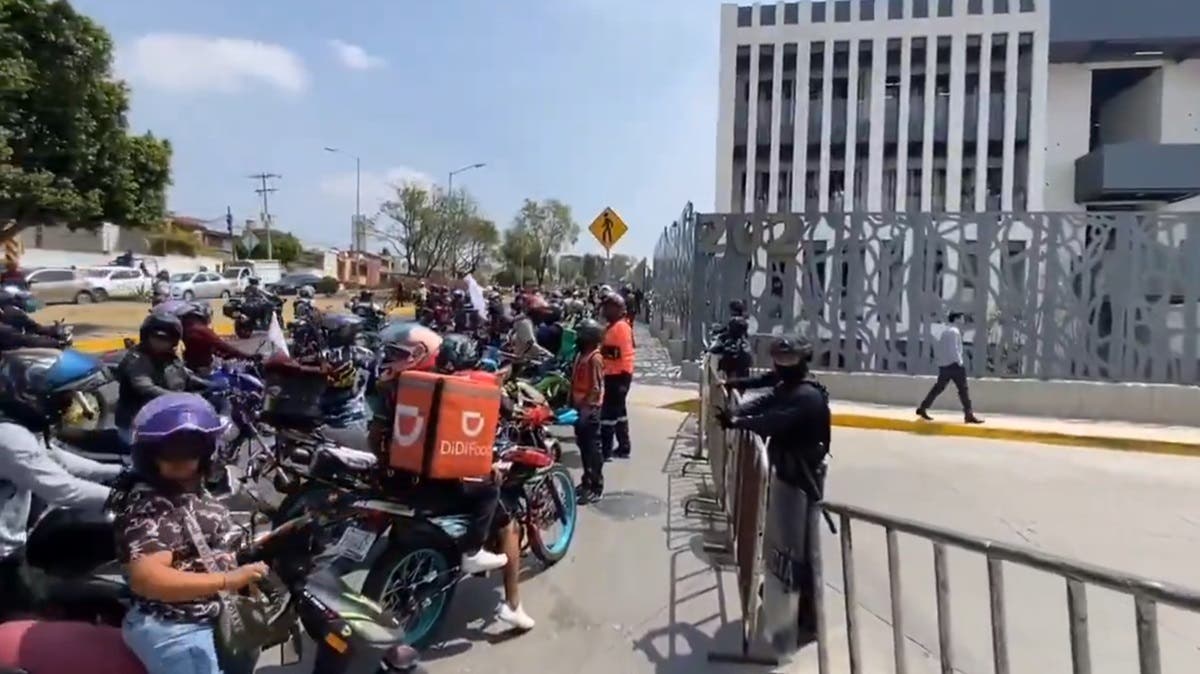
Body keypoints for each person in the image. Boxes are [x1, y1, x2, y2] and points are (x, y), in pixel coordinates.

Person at [111, 393, 267, 674]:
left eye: (190, 449)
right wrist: (227, 580)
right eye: (169, 451)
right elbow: (147, 578)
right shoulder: (151, 507)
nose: (180, 459)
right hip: (178, 626)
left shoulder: (191, 489)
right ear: (150, 455)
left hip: (214, 613)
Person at [369, 324, 509, 577]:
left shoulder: (402, 384)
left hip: (394, 475)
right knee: (491, 486)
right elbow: (463, 443)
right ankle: (472, 552)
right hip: (436, 482)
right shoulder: (466, 388)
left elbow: (377, 432)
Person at [716, 336, 831, 644]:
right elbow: (767, 401)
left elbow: (773, 421)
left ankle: (807, 617)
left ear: (802, 361)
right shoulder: (790, 387)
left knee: (800, 549)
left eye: (787, 361)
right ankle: (785, 594)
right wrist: (738, 412)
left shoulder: (806, 396)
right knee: (785, 543)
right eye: (778, 360)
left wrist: (739, 422)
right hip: (787, 475)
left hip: (802, 480)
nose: (780, 366)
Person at [0, 348, 121, 621]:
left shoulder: (19, 424)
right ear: (32, 395)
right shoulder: (8, 435)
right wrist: (128, 498)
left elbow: (56, 458)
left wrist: (120, 473)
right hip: (4, 553)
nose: (69, 406)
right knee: (28, 618)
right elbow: (63, 489)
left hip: (20, 532)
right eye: (64, 398)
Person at [114, 313, 212, 440]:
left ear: (173, 340)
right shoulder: (137, 359)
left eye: (165, 339)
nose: (159, 342)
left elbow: (185, 376)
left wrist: (211, 385)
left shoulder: (168, 356)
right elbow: (145, 387)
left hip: (162, 418)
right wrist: (181, 398)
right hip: (136, 426)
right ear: (146, 336)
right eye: (155, 337)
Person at [916, 312, 983, 424]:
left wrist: (941, 362)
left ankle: (923, 407)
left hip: (944, 366)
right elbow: (954, 349)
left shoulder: (945, 331)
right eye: (961, 318)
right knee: (963, 390)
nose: (963, 320)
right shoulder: (954, 332)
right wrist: (959, 362)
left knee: (938, 388)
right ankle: (969, 414)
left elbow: (940, 348)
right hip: (954, 365)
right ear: (956, 319)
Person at [161, 301, 258, 376]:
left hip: (192, 366)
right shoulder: (199, 329)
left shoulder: (187, 328)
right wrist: (248, 356)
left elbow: (213, 347)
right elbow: (222, 345)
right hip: (202, 370)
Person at [571, 319, 606, 503]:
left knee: (592, 449)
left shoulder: (594, 358)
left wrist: (586, 407)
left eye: (581, 334)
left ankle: (595, 487)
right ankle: (586, 481)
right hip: (580, 409)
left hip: (590, 411)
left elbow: (595, 388)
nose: (578, 337)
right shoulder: (581, 355)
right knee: (583, 448)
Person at [599, 293, 635, 460]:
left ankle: (605, 451)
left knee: (608, 414)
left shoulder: (619, 328)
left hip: (617, 375)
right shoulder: (620, 325)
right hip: (620, 374)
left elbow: (614, 353)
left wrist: (598, 350)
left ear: (616, 309)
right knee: (620, 412)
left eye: (607, 307)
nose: (604, 311)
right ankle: (624, 447)